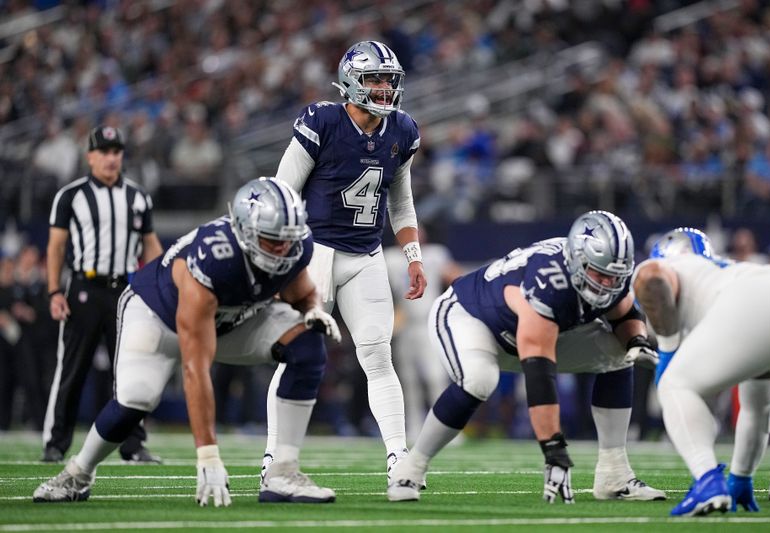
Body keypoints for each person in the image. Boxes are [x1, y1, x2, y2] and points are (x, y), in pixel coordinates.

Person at [33, 177, 341, 506]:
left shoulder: (295, 245)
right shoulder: (215, 259)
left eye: (287, 241)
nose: (282, 250)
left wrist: (312, 310)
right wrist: (208, 455)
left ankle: (282, 472)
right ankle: (78, 472)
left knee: (307, 341)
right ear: (244, 230)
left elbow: (303, 292)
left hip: (231, 318)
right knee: (136, 399)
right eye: (271, 241)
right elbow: (195, 367)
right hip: (157, 314)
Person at [387, 210, 665, 503]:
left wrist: (637, 341)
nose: (606, 285)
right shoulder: (550, 282)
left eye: (614, 277)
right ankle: (411, 469)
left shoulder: (609, 273)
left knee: (620, 353)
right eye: (599, 274)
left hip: (527, 330)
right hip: (470, 316)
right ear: (577, 261)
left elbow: (626, 313)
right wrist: (553, 449)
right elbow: (539, 370)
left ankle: (614, 475)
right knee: (480, 379)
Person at [263, 40, 427, 482]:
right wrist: (283, 259)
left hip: (366, 255)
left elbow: (402, 203)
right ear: (352, 80)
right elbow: (283, 191)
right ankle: (274, 460)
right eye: (375, 79)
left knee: (378, 355)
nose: (384, 88)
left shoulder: (402, 131)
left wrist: (413, 256)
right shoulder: (323, 121)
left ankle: (399, 459)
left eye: (389, 80)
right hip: (315, 252)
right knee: (295, 354)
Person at [634, 227, 770, 516]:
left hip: (748, 305)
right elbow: (758, 408)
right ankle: (744, 480)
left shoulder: (669, 264)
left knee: (674, 386)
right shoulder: (730, 271)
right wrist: (741, 476)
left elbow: (652, 279)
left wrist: (668, 348)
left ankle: (707, 480)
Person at [43, 126, 163, 463]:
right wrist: (54, 290)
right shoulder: (71, 195)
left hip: (124, 292)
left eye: (117, 151)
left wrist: (158, 288)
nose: (112, 158)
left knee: (131, 370)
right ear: (90, 157)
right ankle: (56, 442)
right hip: (83, 287)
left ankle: (133, 444)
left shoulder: (137, 196)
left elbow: (151, 245)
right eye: (105, 152)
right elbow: (55, 247)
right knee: (73, 368)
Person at [384, 229, 463, 441]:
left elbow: (457, 277)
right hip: (405, 326)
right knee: (408, 382)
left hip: (430, 323)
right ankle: (413, 429)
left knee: (435, 377)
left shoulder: (434, 255)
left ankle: (445, 429)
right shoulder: (390, 258)